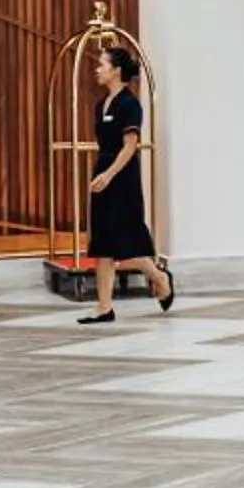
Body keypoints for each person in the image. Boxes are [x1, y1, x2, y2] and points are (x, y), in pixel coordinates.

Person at [80, 44, 174, 324]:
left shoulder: (130, 104)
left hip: (122, 177)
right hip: (104, 171)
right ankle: (104, 307)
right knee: (104, 243)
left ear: (116, 70)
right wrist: (101, 173)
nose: (97, 69)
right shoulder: (101, 105)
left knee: (127, 240)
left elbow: (129, 146)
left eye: (102, 64)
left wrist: (109, 175)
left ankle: (158, 276)